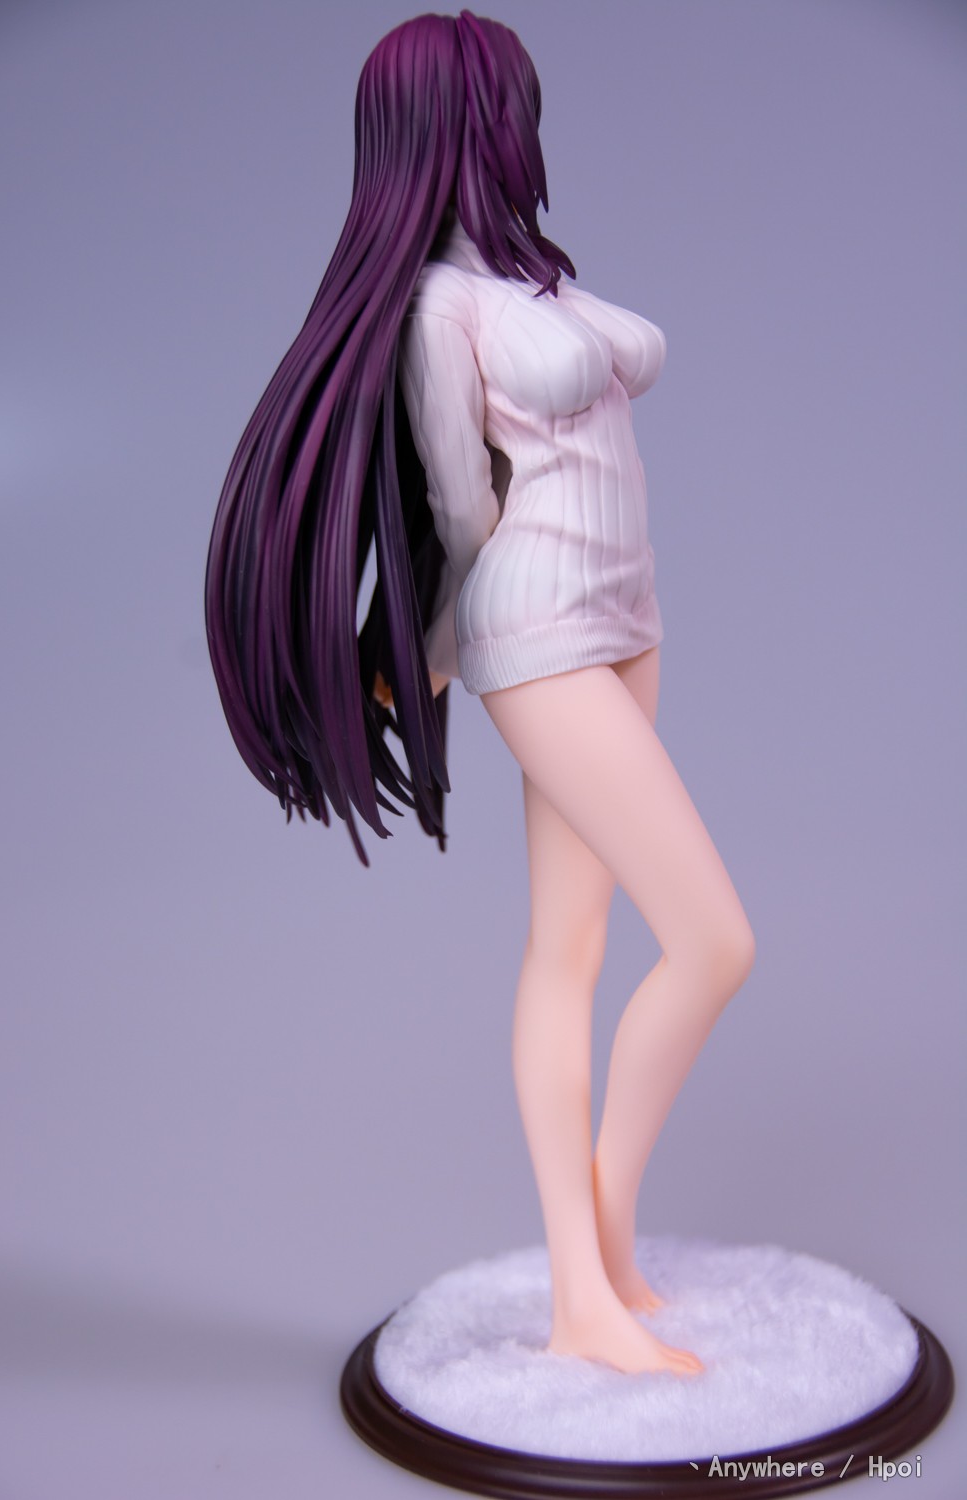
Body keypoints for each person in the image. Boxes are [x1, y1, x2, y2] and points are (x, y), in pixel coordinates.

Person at [205, 10, 754, 1377]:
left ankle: (600, 1265)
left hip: (630, 619)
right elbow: (461, 509)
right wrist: (429, 655)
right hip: (540, 628)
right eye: (509, 103)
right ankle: (585, 1273)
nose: (525, 126)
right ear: (461, 123)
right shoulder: (439, 311)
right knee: (713, 941)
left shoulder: (537, 281)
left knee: (573, 944)